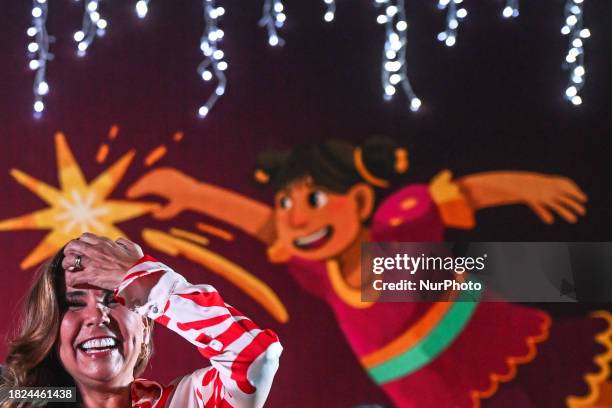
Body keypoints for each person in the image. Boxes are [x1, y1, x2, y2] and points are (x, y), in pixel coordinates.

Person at [125, 137, 611, 407]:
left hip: (514, 364)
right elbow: (268, 225)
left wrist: (530, 187)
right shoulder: (324, 279)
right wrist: (190, 194)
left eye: (313, 201)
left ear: (357, 201)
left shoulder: (397, 241)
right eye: (288, 205)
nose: (297, 219)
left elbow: (473, 212)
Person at [1, 233, 282, 407]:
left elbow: (254, 357)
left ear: (146, 326)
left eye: (114, 299)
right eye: (73, 304)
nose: (97, 315)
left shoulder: (189, 403)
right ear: (52, 333)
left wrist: (148, 282)